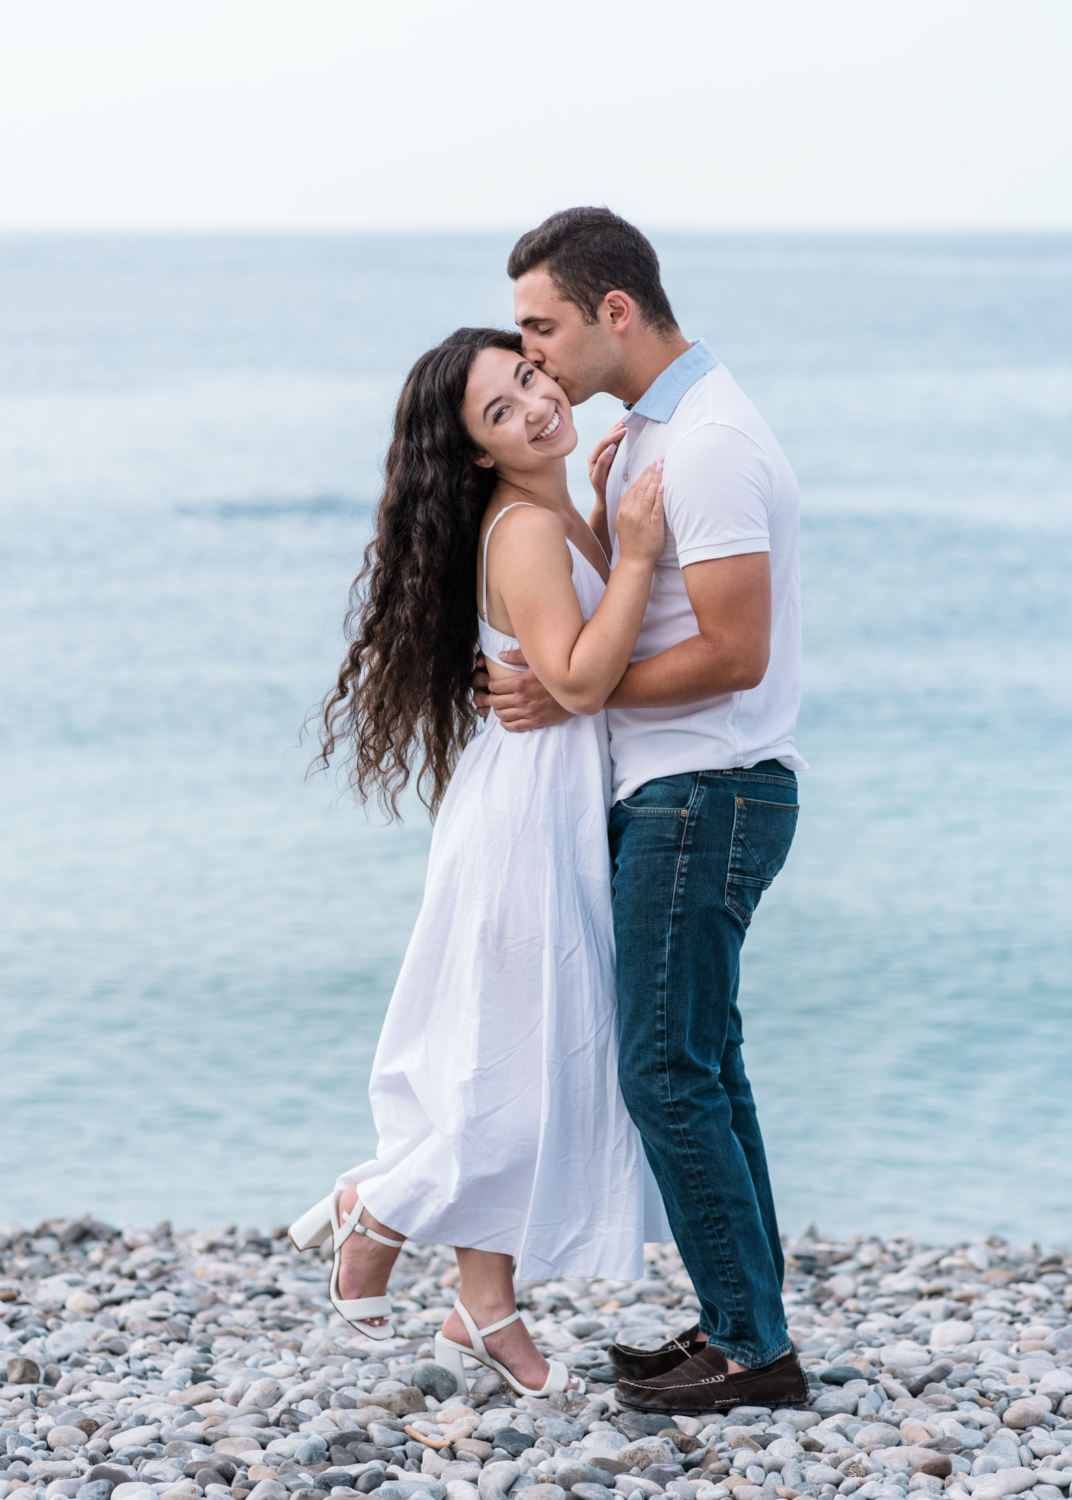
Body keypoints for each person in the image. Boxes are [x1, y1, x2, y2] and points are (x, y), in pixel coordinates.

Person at [288, 326, 670, 1400]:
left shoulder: (550, 515)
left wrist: (601, 521)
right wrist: (636, 553)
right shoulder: (522, 533)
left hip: (545, 811)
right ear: (474, 455)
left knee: (523, 1059)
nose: (537, 406)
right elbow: (585, 679)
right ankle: (383, 1211)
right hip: (524, 826)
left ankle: (480, 1306)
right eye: (501, 414)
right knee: (508, 1070)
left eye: (528, 379)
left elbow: (571, 665)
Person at [475, 208, 810, 1413]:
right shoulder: (651, 433)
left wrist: (571, 699)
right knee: (704, 1065)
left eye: (543, 327)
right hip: (687, 789)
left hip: (703, 791)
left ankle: (750, 1355)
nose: (536, 356)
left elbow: (732, 651)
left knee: (665, 1072)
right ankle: (743, 1323)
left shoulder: (706, 445)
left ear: (615, 312)